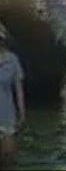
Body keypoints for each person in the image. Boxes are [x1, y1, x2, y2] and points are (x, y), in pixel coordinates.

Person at [0, 23, 25, 165]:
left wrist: (22, 113)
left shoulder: (12, 60)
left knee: (8, 158)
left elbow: (18, 89)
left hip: (7, 116)